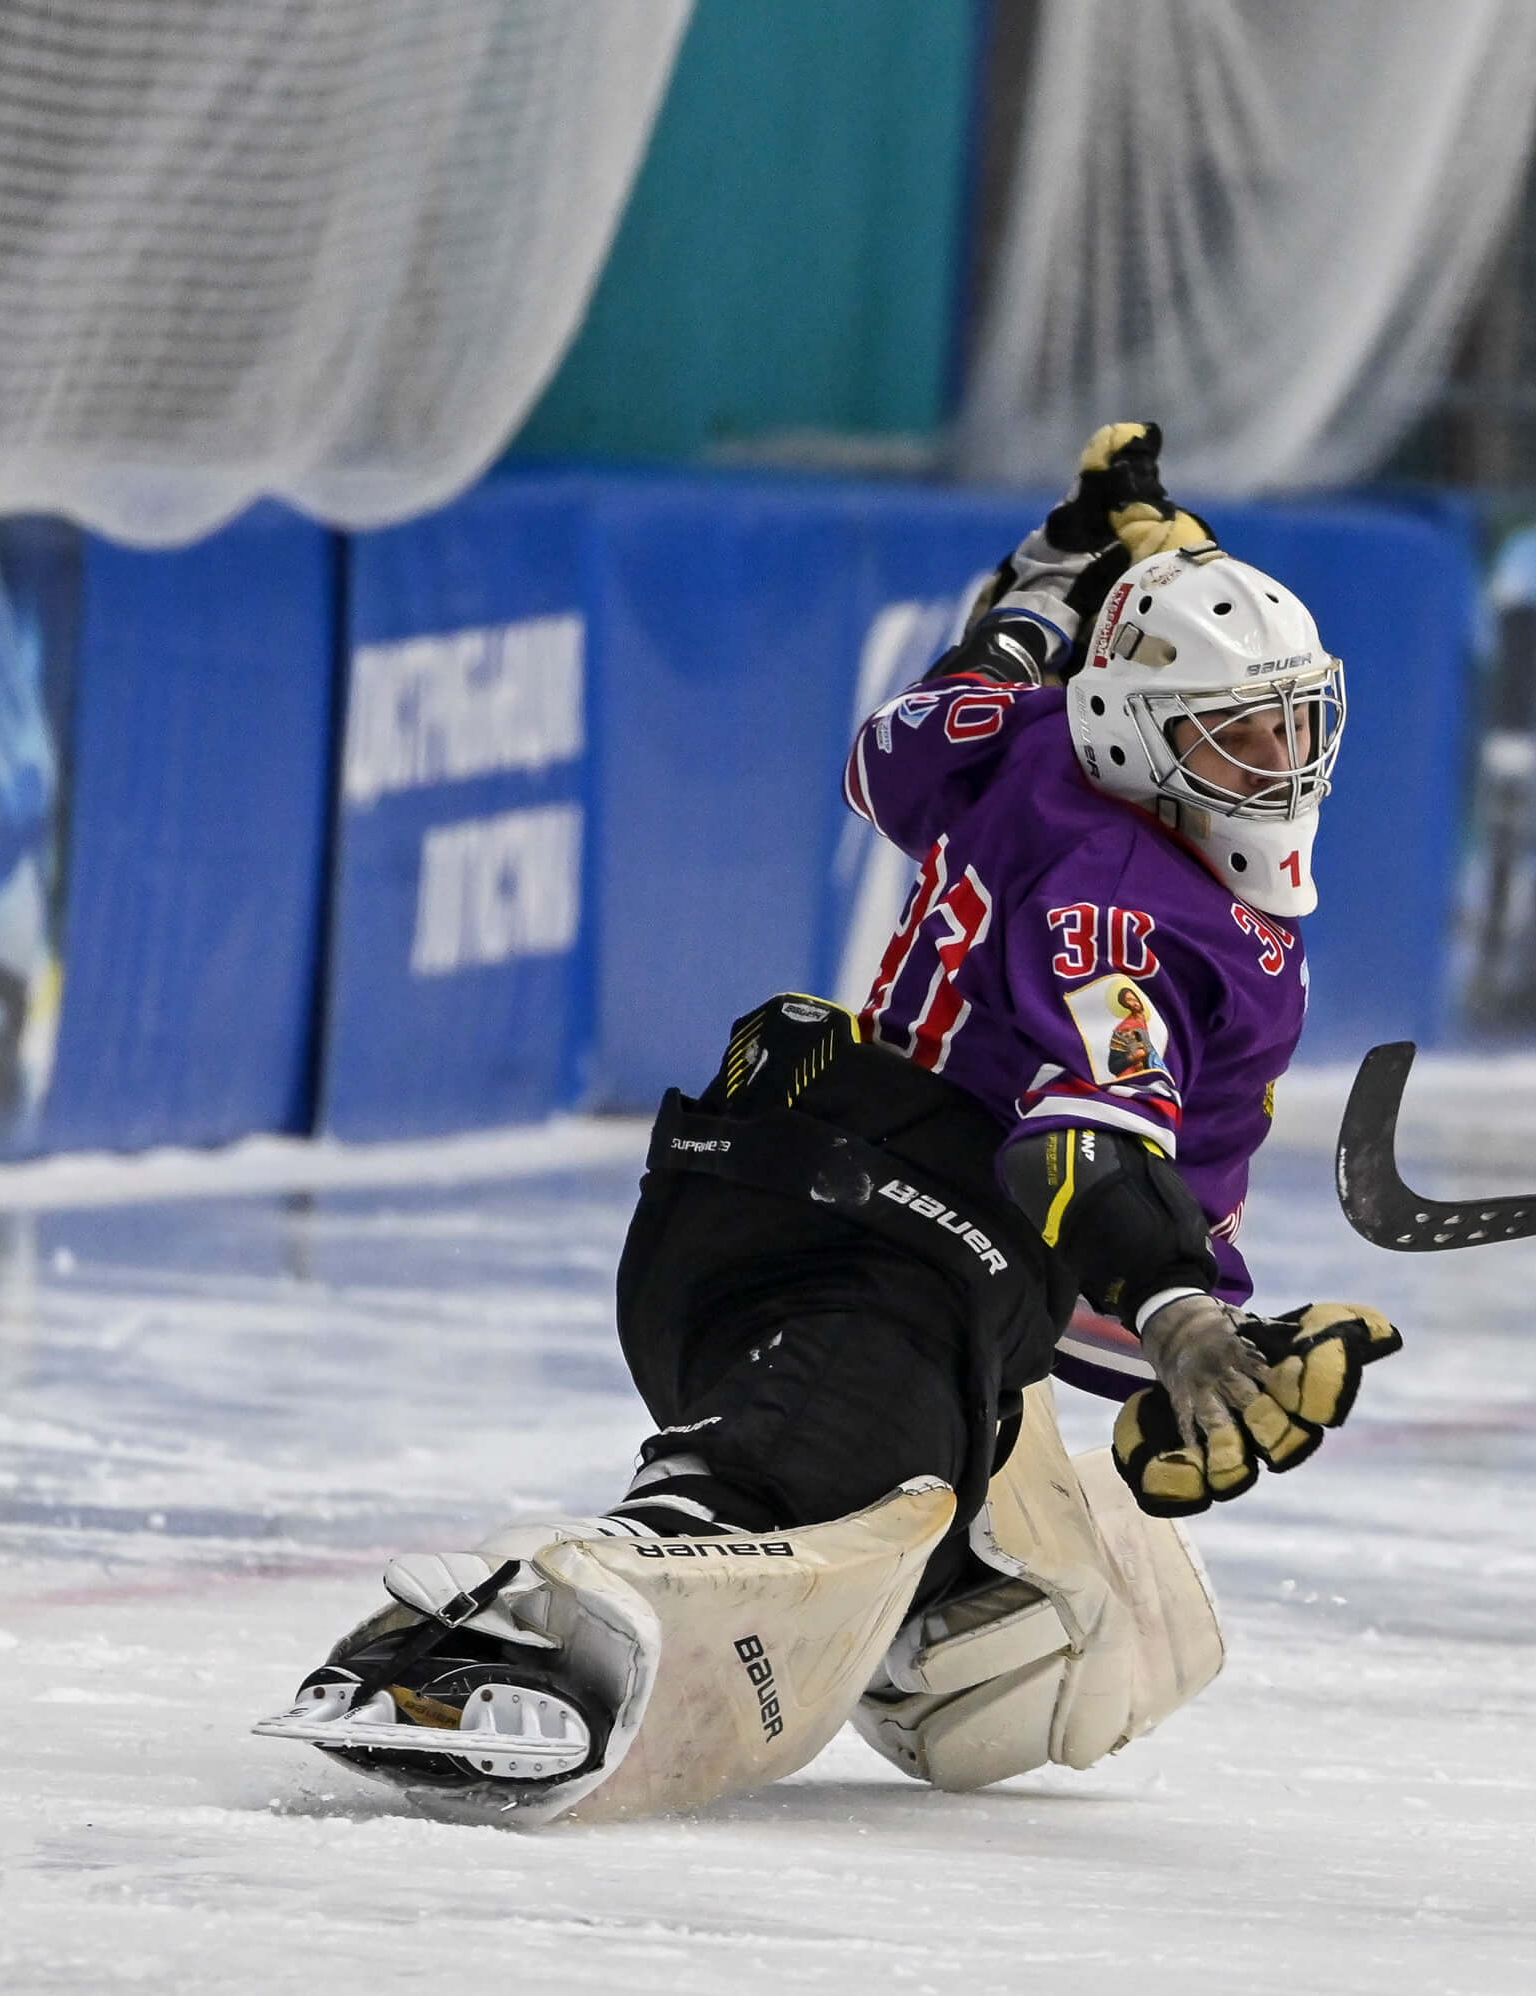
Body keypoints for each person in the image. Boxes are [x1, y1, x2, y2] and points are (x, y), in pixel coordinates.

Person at [255, 424, 1403, 1827]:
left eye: (1297, 722)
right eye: (1238, 734)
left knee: (1092, 1656)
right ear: (1138, 734)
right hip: (879, 1257)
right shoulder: (1133, 908)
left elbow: (937, 716)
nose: (1280, 766)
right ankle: (492, 1641)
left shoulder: (1028, 739)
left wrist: (1054, 571)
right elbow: (1072, 1150)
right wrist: (1178, 1314)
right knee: (771, 1494)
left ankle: (927, 1593)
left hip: (815, 1182)